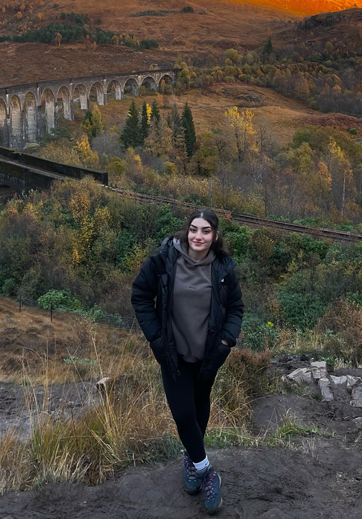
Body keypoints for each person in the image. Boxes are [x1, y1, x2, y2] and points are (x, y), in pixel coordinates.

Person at [131, 208, 244, 515]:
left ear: (215, 236)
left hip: (208, 355)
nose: (198, 236)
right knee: (183, 414)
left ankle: (191, 460)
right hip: (173, 353)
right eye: (194, 229)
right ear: (186, 231)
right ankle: (207, 472)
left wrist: (225, 342)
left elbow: (235, 308)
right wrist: (156, 338)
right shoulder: (164, 261)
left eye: (206, 231)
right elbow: (140, 295)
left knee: (198, 408)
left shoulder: (223, 268)